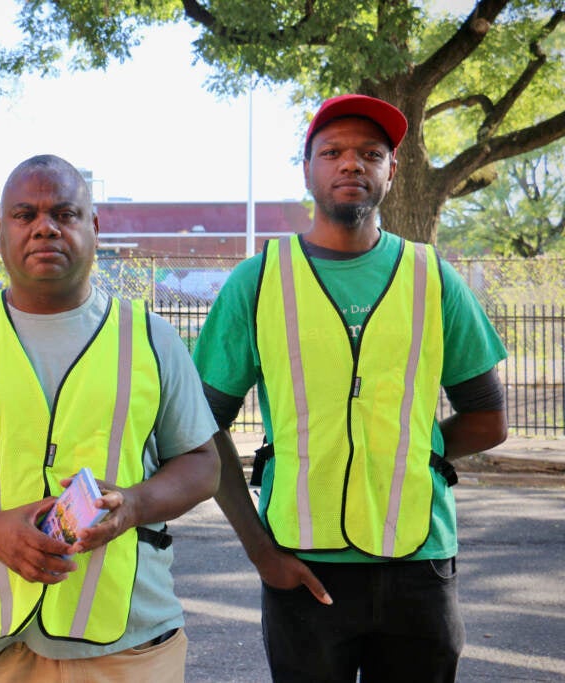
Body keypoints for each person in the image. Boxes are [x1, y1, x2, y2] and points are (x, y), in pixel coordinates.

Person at [193, 94, 508, 682]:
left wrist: (413, 453)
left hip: (420, 561)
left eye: (371, 152)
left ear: (393, 169)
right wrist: (261, 551)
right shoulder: (259, 280)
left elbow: (488, 418)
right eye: (332, 151)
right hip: (299, 563)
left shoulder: (433, 278)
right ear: (307, 168)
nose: (351, 164)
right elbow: (200, 428)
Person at [0, 154, 220, 681]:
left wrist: (133, 505)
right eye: (25, 215)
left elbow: (203, 463)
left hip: (130, 641)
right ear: (0, 232)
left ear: (94, 227)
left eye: (65, 213)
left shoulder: (152, 337)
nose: (45, 227)